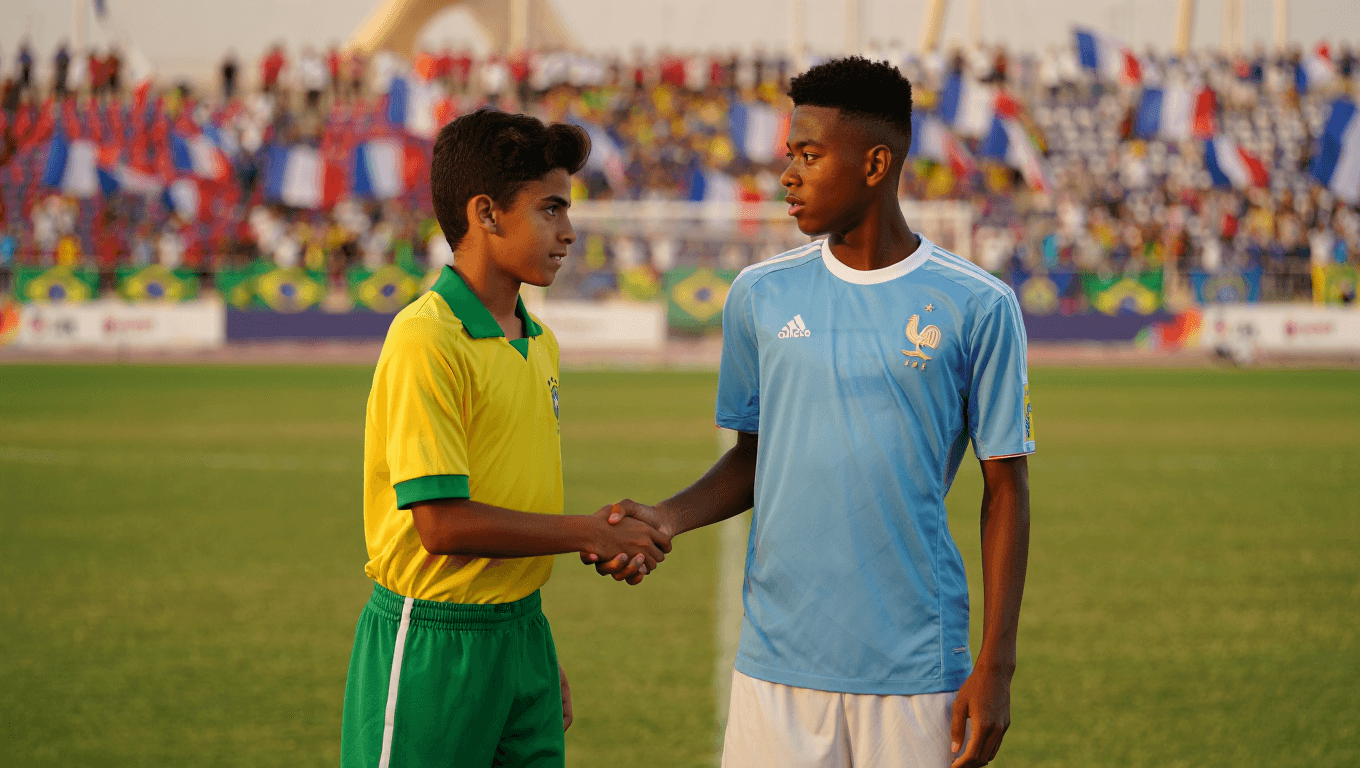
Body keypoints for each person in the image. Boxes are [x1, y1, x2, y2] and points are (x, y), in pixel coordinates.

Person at [591, 57, 1033, 768]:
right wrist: (666, 519)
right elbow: (755, 456)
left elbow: (1006, 486)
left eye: (809, 154)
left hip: (917, 667)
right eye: (788, 155)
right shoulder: (759, 295)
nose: (787, 176)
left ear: (876, 163)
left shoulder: (977, 304)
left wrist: (998, 666)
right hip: (776, 666)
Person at [339, 108, 671, 768]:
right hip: (433, 643)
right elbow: (442, 524)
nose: (569, 232)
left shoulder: (539, 341)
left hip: (520, 636)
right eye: (551, 210)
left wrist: (529, 650)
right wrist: (589, 532)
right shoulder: (426, 339)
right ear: (486, 214)